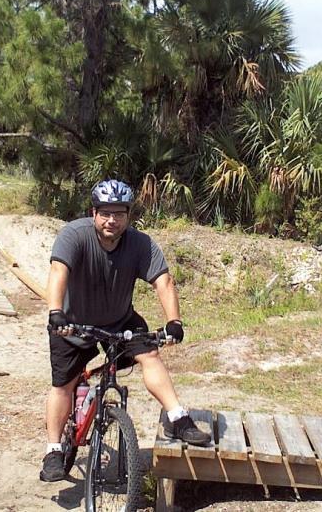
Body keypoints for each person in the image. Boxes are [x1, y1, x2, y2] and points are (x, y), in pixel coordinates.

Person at [40, 179, 211, 482]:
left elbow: (164, 282)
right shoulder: (74, 235)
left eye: (119, 213)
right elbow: (58, 271)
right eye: (105, 213)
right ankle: (54, 449)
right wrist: (56, 312)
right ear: (93, 212)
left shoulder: (140, 243)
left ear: (128, 215)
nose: (112, 220)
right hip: (73, 325)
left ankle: (177, 418)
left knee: (151, 354)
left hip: (120, 321)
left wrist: (175, 321)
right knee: (62, 384)